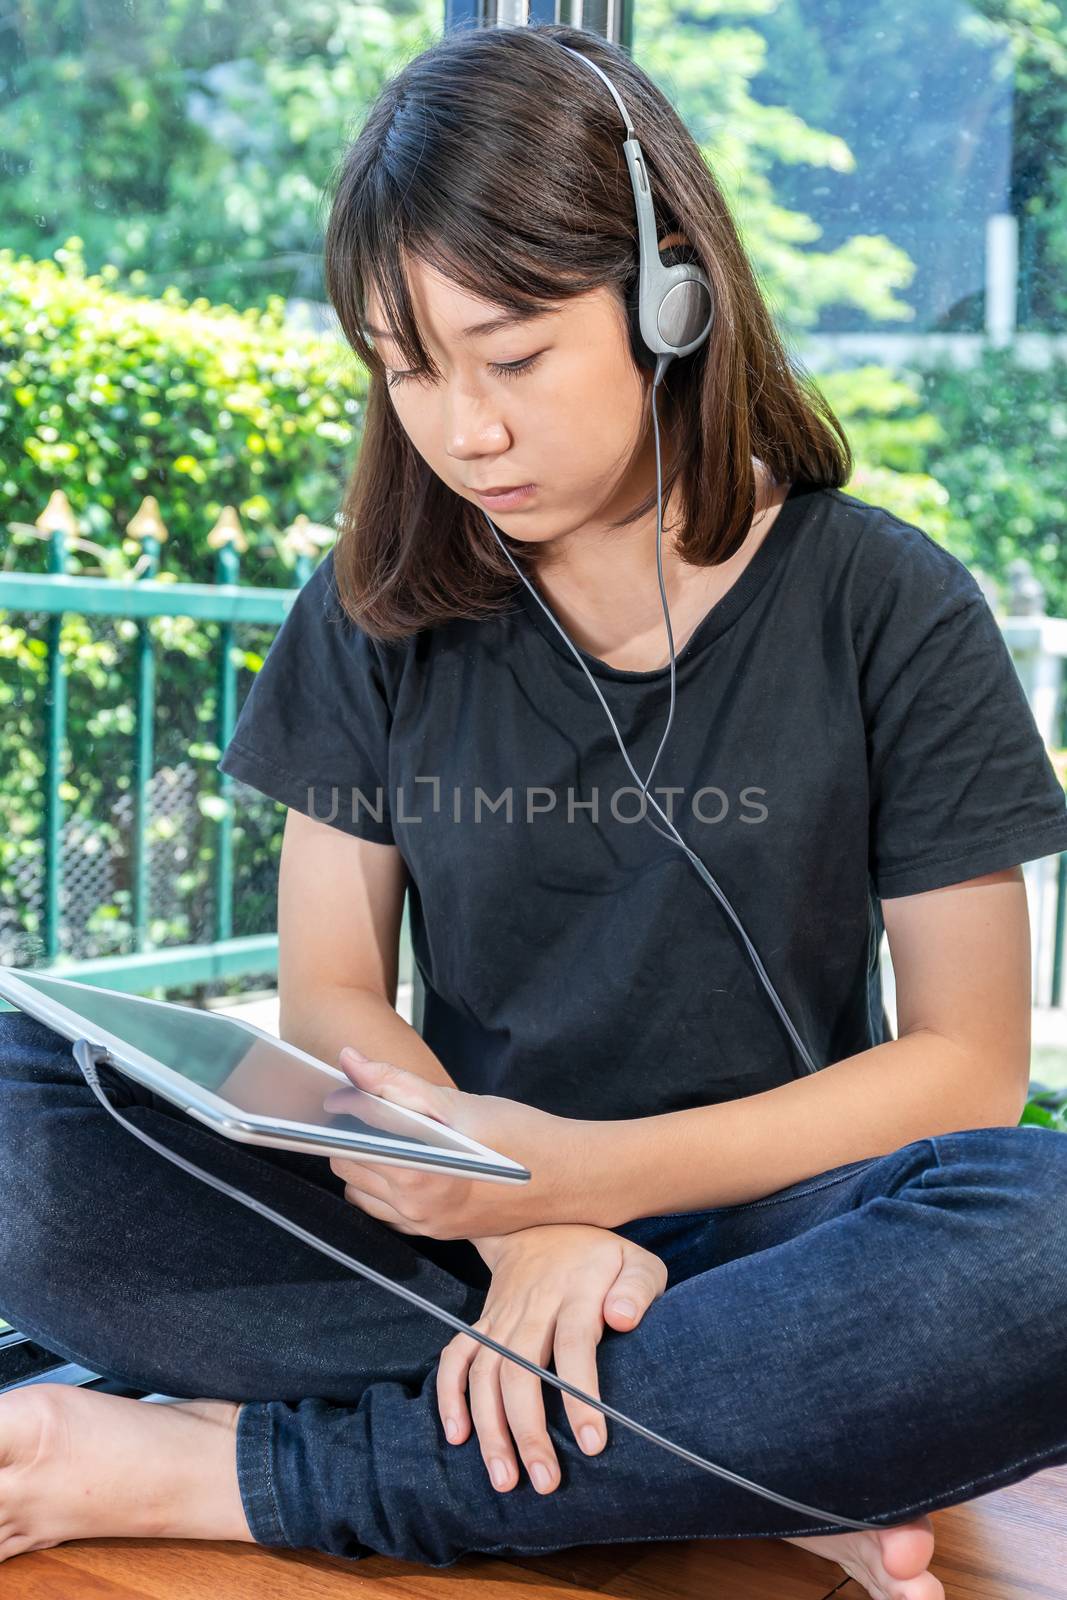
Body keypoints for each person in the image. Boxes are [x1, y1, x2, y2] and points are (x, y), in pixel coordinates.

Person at [1, 22, 1066, 1599]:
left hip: (788, 1244)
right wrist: (522, 1227)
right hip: (450, 1233)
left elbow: (969, 1071)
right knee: (19, 1104)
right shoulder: (369, 614)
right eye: (407, 366)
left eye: (510, 356)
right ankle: (726, 1457)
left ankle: (250, 1470)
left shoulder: (889, 603)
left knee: (1046, 1230)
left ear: (669, 300)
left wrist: (596, 1181)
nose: (465, 428)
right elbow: (335, 999)